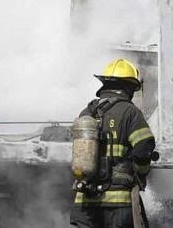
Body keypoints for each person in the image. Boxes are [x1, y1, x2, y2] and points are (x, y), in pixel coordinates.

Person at [69, 58, 155, 228]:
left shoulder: (86, 112)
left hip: (85, 201)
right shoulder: (130, 112)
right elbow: (144, 146)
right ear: (129, 87)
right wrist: (141, 174)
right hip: (117, 204)